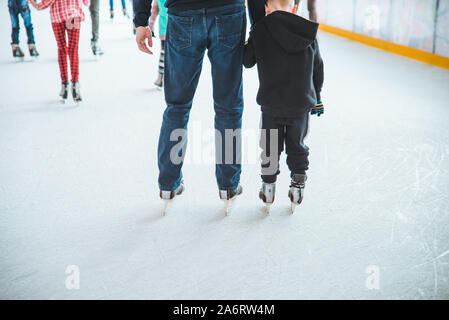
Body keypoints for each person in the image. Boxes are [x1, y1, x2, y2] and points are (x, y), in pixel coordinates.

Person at [133, 0, 246, 212]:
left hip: (183, 14)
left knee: (177, 106)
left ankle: (168, 184)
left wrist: (141, 21)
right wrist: (259, 22)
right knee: (228, 105)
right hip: (228, 12)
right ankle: (228, 186)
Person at [243, 0, 324, 212]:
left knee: (270, 147)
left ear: (266, 8)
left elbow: (247, 60)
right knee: (297, 145)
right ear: (294, 7)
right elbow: (318, 68)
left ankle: (268, 187)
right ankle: (297, 185)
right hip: (300, 105)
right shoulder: (308, 32)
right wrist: (318, 98)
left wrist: (251, 36)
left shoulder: (261, 31)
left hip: (271, 105)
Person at [27, 0, 91, 103]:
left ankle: (64, 85)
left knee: (62, 49)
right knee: (73, 49)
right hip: (73, 16)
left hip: (58, 17)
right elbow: (87, 2)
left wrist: (33, 3)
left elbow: (43, 5)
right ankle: (75, 85)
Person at [148, 0, 167, 89]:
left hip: (164, 29)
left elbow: (154, 10)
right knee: (177, 55)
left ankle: (160, 77)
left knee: (163, 53)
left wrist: (151, 25)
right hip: (178, 28)